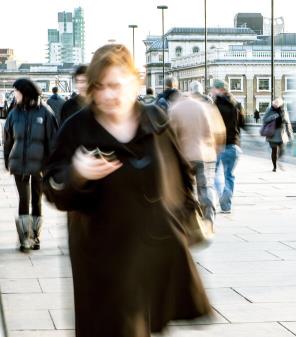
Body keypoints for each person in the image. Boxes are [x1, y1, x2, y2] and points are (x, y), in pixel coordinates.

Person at [43, 44, 211, 336]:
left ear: (136, 82)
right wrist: (77, 174)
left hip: (155, 254)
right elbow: (53, 186)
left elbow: (183, 176)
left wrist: (184, 219)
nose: (107, 95)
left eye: (115, 85)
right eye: (99, 86)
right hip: (104, 261)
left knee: (148, 323)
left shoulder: (156, 121)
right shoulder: (77, 128)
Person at [3, 78, 58, 251]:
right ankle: (25, 238)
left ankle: (35, 236)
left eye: (16, 91)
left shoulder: (46, 113)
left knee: (36, 201)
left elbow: (53, 141)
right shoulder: (14, 113)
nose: (14, 94)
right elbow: (7, 140)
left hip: (39, 167)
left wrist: (50, 166)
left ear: (25, 93)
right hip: (19, 165)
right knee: (23, 200)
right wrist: (7, 161)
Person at [170, 94, 225, 226]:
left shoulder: (175, 108)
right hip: (205, 155)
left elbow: (171, 134)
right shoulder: (207, 108)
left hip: (184, 156)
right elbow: (219, 132)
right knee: (206, 188)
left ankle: (188, 220)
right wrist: (215, 149)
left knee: (185, 189)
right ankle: (209, 219)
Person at [211, 79, 245, 213]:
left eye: (214, 88)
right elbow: (243, 124)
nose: (212, 90)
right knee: (229, 175)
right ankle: (226, 204)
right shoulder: (237, 104)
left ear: (221, 90)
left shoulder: (215, 105)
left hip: (219, 146)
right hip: (235, 146)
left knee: (214, 175)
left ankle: (222, 197)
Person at [263, 98, 293, 172]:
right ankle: (274, 166)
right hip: (272, 133)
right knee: (274, 151)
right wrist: (273, 117)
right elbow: (264, 119)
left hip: (282, 134)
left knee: (282, 150)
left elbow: (287, 123)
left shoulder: (283, 110)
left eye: (277, 105)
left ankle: (279, 160)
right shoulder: (269, 110)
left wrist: (290, 134)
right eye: (274, 104)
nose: (276, 106)